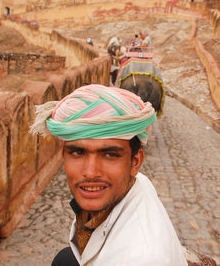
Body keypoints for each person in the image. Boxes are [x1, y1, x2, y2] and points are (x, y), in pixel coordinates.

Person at [30, 84, 188, 266]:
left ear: (135, 162)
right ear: (64, 156)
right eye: (78, 152)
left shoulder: (141, 259)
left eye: (110, 155)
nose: (90, 173)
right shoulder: (136, 182)